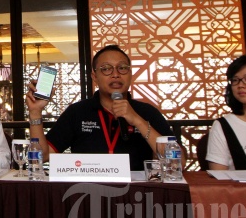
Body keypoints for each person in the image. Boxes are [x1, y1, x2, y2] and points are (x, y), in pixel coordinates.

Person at [26, 44, 173, 171]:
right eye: (106, 69)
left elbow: (177, 161)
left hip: (135, 192)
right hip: (87, 191)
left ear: (130, 74)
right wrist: (35, 112)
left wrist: (138, 121)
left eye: (122, 68)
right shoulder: (77, 112)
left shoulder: (147, 112)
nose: (115, 74)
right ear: (94, 77)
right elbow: (41, 157)